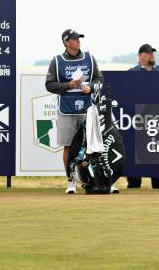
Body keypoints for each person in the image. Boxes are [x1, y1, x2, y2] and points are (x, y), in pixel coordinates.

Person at [45, 29, 105, 194]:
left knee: (92, 145)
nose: (78, 41)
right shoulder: (57, 61)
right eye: (74, 39)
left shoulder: (89, 58)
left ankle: (93, 180)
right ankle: (71, 181)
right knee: (69, 147)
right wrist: (68, 85)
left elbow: (99, 79)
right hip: (66, 108)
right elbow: (49, 85)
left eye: (78, 38)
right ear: (66, 42)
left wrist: (90, 87)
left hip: (87, 107)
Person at [127, 44, 159, 190]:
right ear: (140, 56)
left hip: (158, 120)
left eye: (153, 53)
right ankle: (134, 184)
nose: (152, 56)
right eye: (149, 53)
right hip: (137, 120)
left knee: (157, 154)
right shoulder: (131, 73)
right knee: (136, 153)